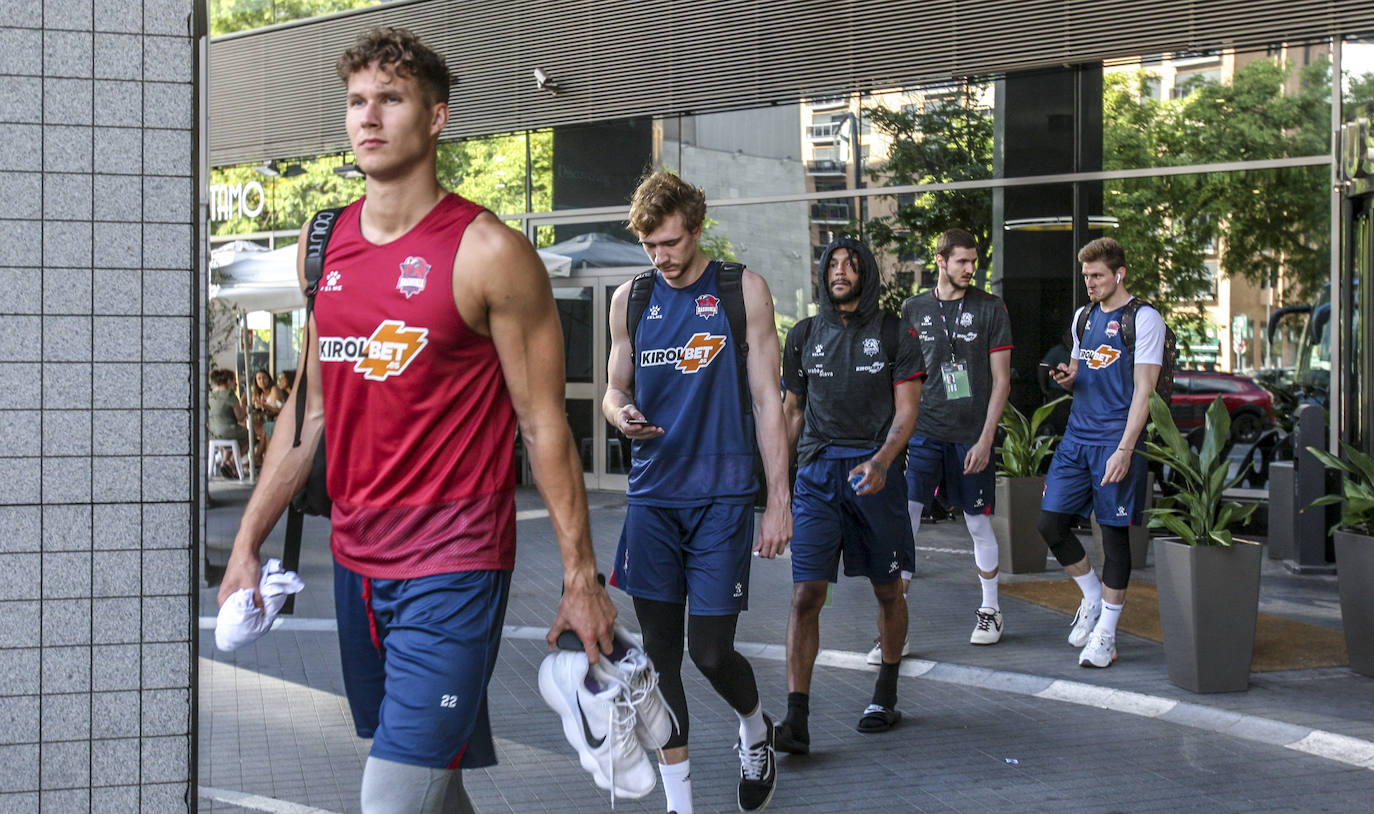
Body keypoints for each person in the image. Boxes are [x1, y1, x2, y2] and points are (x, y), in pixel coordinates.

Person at [217, 27, 617, 814]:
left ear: (435, 117)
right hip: (358, 565)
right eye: (357, 102)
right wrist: (244, 543)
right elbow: (309, 408)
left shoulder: (489, 253)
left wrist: (582, 580)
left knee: (392, 798)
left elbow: (544, 427)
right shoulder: (321, 242)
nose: (368, 117)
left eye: (390, 100)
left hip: (455, 563)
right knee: (433, 787)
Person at [603, 170, 792, 814]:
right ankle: (680, 806)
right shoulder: (630, 299)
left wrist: (779, 502)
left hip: (723, 498)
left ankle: (754, 726)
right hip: (653, 498)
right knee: (659, 661)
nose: (662, 257)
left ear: (697, 227)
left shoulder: (743, 291)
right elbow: (613, 389)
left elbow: (769, 401)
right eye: (650, 246)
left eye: (672, 242)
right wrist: (619, 414)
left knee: (709, 651)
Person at [774, 236, 924, 755]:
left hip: (874, 476)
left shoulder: (894, 332)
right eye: (832, 264)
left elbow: (907, 413)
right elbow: (791, 412)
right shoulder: (804, 335)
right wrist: (777, 489)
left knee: (888, 590)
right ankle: (796, 719)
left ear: (866, 273)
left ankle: (885, 694)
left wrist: (883, 461)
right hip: (817, 475)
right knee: (805, 594)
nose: (840, 271)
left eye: (850, 264)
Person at [1040, 237, 1162, 668]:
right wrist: (1067, 379)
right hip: (1077, 438)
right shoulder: (1083, 316)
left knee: (1113, 536)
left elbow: (1144, 392)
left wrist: (1126, 449)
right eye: (1086, 276)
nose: (1089, 283)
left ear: (1119, 274)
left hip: (1117, 438)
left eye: (1097, 276)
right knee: (1050, 524)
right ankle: (1092, 598)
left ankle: (1107, 634)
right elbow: (1082, 370)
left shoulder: (1143, 320)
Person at [900, 228, 1012, 650]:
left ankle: (990, 611)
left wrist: (986, 440)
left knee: (977, 521)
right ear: (941, 260)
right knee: (906, 520)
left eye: (974, 261)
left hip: (971, 436)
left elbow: (1001, 382)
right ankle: (896, 626)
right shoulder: (913, 308)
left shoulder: (991, 308)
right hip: (924, 434)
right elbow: (905, 377)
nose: (971, 268)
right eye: (962, 261)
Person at [208, 368, 249, 476]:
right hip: (227, 431)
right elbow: (240, 417)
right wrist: (244, 402)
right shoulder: (229, 394)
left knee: (234, 436)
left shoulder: (211, 394)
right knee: (249, 436)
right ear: (229, 381)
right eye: (234, 380)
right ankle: (230, 463)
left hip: (212, 433)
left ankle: (224, 463)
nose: (235, 383)